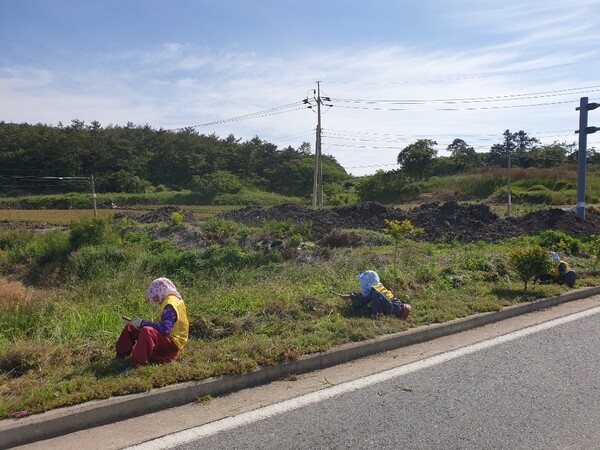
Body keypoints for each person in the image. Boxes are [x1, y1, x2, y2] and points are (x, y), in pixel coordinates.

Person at [116, 277, 189, 369]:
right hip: (168, 338)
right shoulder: (170, 299)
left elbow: (165, 330)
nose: (155, 300)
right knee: (132, 326)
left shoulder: (169, 305)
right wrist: (140, 323)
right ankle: (120, 355)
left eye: (155, 297)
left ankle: (137, 364)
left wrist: (143, 323)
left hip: (173, 344)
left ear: (161, 292)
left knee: (147, 331)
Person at [341, 270, 411, 318]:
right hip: (394, 307)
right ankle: (374, 313)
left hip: (394, 308)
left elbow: (363, 300)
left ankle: (374, 315)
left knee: (375, 294)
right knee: (373, 298)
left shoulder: (374, 289)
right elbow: (363, 298)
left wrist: (353, 305)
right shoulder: (376, 287)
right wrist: (351, 296)